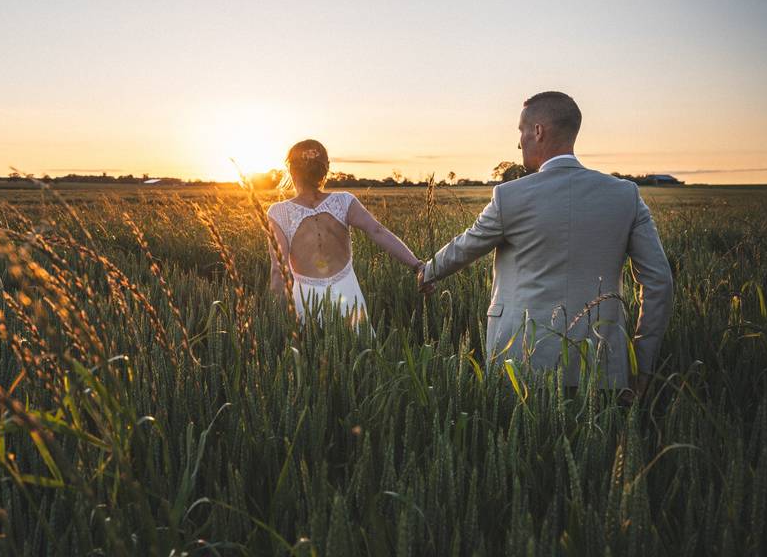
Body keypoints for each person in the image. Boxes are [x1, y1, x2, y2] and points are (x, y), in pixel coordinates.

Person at [418, 91, 673, 400]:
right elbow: (659, 282)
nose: (518, 141)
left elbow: (465, 246)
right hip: (603, 366)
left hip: (520, 365)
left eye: (521, 131)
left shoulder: (509, 196)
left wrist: (427, 271)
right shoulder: (625, 195)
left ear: (537, 131)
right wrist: (641, 365)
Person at [267, 139, 424, 327]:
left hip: (306, 299)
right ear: (325, 170)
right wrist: (418, 265)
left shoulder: (278, 212)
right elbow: (378, 231)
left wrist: (274, 323)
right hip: (347, 292)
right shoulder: (344, 201)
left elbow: (278, 270)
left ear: (291, 171)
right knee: (359, 349)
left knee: (313, 353)